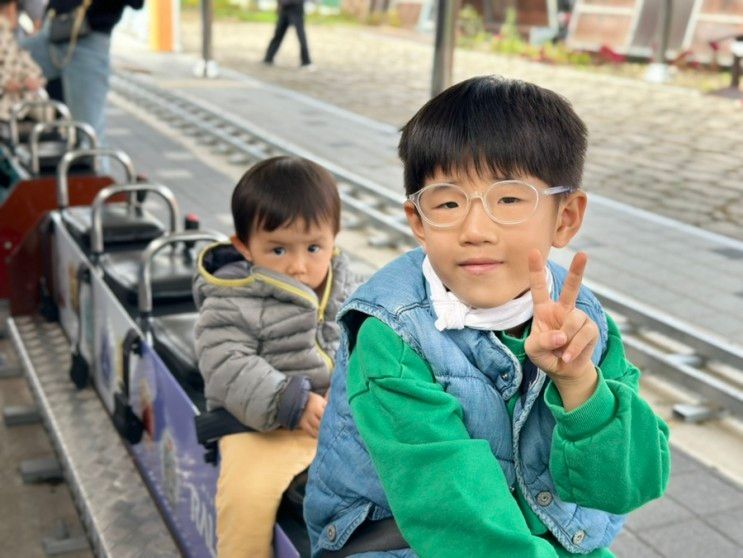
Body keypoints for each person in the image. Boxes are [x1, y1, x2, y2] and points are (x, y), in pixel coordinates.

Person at [304, 76, 671, 557]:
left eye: (510, 200)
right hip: (397, 539)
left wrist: (581, 385)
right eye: (449, 202)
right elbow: (455, 514)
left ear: (565, 218)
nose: (476, 230)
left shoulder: (582, 320)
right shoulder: (391, 332)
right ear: (418, 219)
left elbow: (630, 484)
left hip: (543, 537)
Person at [193, 156, 359, 558]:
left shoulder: (345, 285)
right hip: (258, 425)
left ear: (334, 241)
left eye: (314, 248)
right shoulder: (233, 298)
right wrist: (292, 401)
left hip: (334, 420)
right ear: (244, 247)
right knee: (245, 500)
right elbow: (225, 362)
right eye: (278, 249)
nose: (299, 267)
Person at [20, 0, 145, 145]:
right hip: (52, 30)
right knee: (7, 65)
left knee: (88, 133)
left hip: (88, 41)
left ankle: (96, 164)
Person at [0, 0, 45, 121]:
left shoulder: (9, 38)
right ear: (11, 9)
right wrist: (24, 83)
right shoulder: (5, 38)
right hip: (12, 110)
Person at [263, 0, 312, 69]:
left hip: (296, 7)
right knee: (278, 34)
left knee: (301, 35)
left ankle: (306, 61)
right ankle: (268, 58)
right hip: (285, 7)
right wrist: (279, 4)